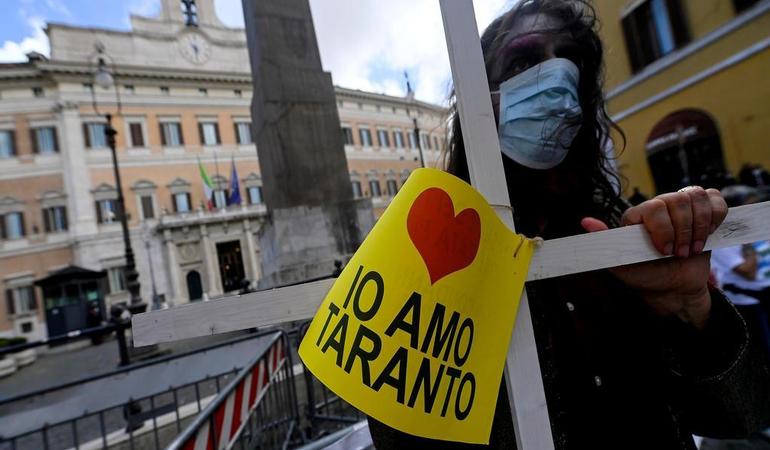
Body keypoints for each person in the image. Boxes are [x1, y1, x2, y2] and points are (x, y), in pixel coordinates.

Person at [368, 1, 770, 449]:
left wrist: (691, 310)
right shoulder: (432, 253)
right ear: (480, 95)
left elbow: (742, 414)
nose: (557, 76)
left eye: (572, 60)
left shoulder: (622, 233)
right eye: (523, 62)